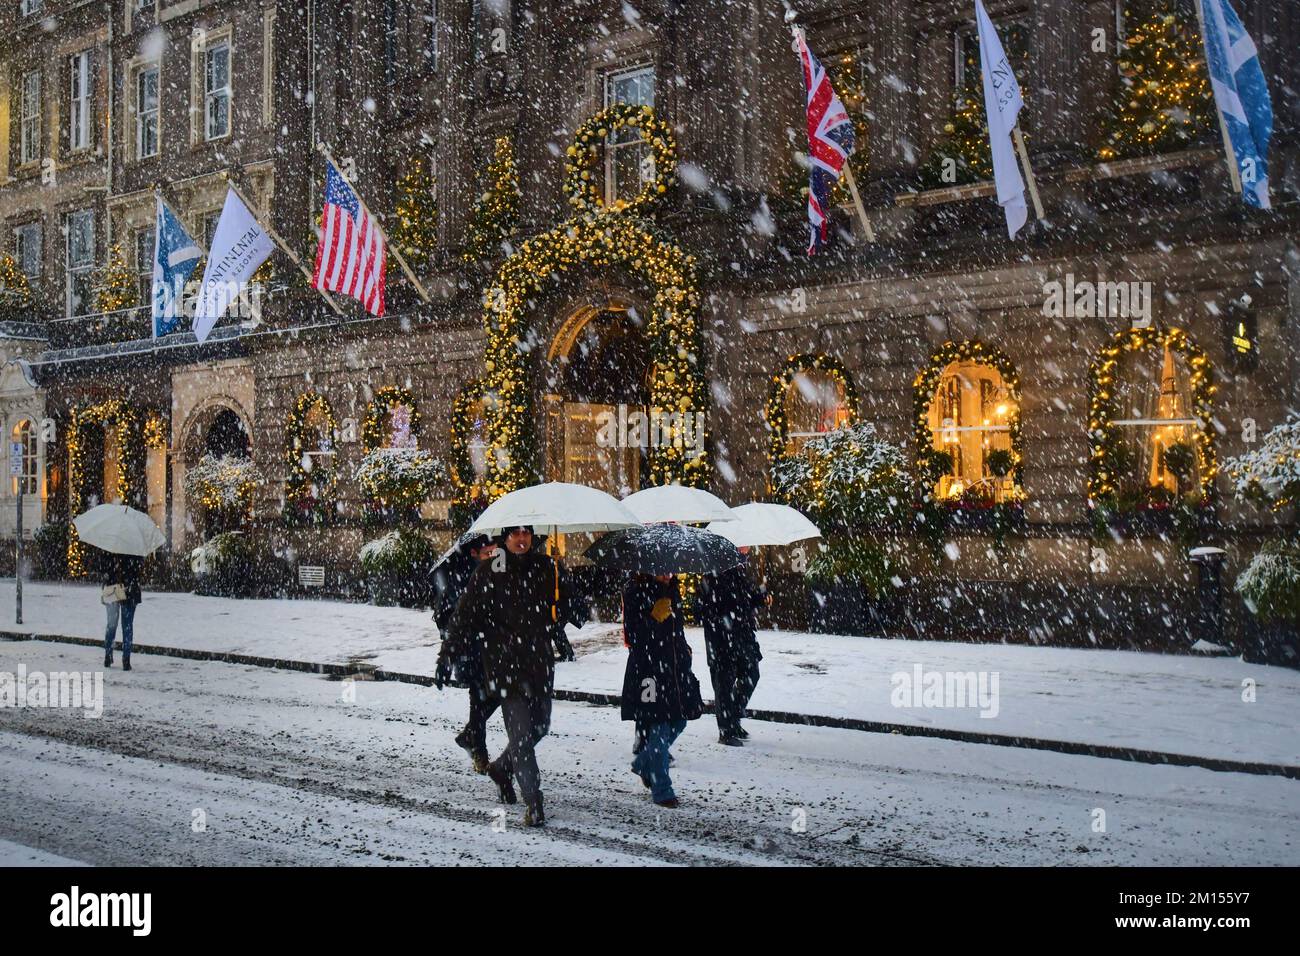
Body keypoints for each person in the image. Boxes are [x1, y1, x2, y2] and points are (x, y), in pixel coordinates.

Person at [441, 525, 564, 827]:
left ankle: (500, 768)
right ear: (505, 538)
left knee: (540, 728)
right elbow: (464, 616)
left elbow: (564, 609)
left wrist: (565, 592)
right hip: (506, 669)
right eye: (515, 534)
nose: (521, 539)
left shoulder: (546, 567)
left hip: (539, 667)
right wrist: (447, 656)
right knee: (521, 737)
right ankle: (534, 803)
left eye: (526, 533)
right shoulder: (489, 571)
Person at [621, 573, 703, 808]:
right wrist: (652, 617)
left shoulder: (673, 589)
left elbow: (676, 627)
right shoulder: (635, 590)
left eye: (669, 570)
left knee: (680, 721)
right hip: (649, 671)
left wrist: (684, 648)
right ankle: (662, 789)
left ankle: (643, 765)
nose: (666, 574)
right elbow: (633, 635)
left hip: (675, 670)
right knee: (658, 727)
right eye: (660, 570)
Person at [434, 534, 499, 774]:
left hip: (493, 649)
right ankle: (479, 754)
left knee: (496, 696)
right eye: (488, 553)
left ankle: (469, 736)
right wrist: (447, 659)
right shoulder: (460, 577)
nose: (493, 556)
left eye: (495, 552)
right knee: (479, 703)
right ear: (474, 553)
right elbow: (457, 620)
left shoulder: (495, 571)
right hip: (471, 650)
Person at [698, 547, 767, 745]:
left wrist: (759, 598)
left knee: (751, 674)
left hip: (742, 637)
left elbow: (746, 602)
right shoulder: (712, 575)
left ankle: (733, 717)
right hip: (722, 640)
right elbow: (704, 608)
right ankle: (726, 729)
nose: (745, 553)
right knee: (724, 684)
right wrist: (726, 615)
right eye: (742, 551)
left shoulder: (741, 573)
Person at [101, 552, 143, 670]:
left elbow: (103, 568)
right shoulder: (135, 549)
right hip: (128, 589)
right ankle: (125, 659)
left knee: (112, 624)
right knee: (126, 625)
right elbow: (138, 570)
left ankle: (109, 655)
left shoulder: (110, 546)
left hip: (114, 588)